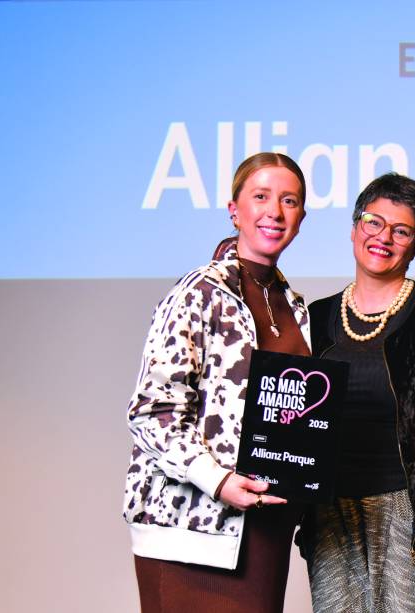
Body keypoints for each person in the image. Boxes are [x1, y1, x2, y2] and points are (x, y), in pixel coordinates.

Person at [122, 152, 311, 612]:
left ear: (302, 218)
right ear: (234, 210)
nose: (275, 211)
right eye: (261, 197)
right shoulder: (197, 293)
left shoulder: (296, 307)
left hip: (266, 528)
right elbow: (153, 413)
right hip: (189, 528)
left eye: (289, 201)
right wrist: (219, 479)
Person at [302, 173, 415, 612]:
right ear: (354, 229)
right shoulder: (314, 318)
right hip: (332, 516)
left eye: (401, 230)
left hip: (413, 512)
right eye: (373, 222)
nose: (383, 237)